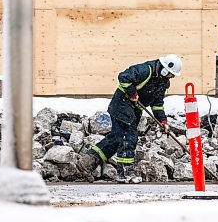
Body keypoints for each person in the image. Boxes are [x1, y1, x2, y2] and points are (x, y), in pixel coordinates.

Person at [76, 54, 182, 184]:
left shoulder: (163, 82)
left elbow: (157, 104)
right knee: (128, 136)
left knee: (117, 138)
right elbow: (123, 76)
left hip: (134, 109)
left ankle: (87, 163)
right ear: (165, 69)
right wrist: (132, 92)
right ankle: (124, 173)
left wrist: (163, 121)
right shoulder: (145, 70)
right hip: (122, 104)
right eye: (171, 74)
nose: (172, 77)